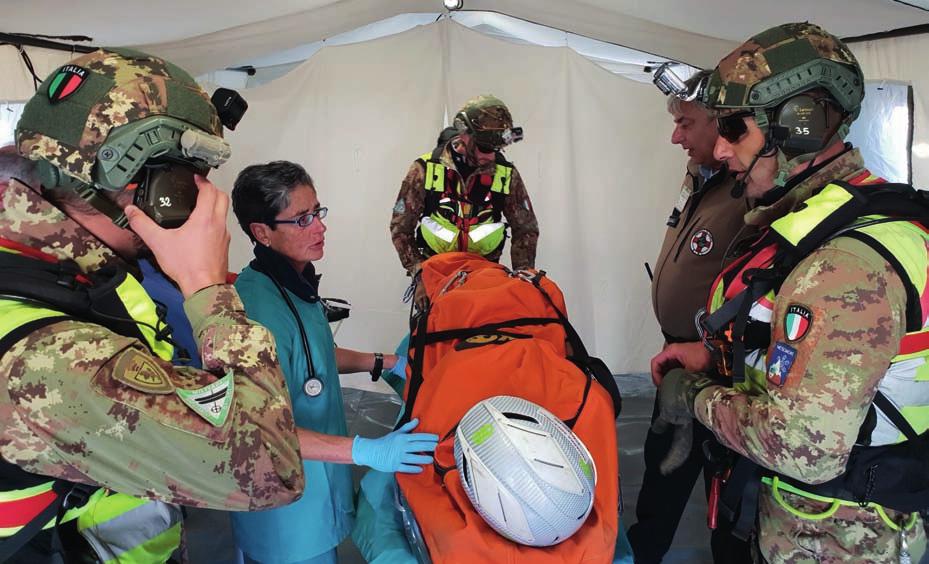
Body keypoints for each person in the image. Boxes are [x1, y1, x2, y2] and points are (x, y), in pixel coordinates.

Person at [0, 49, 305, 562]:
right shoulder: (45, 359)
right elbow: (271, 468)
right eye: (192, 177)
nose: (202, 196)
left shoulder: (54, 272)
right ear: (156, 187)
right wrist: (207, 285)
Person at [650, 22, 929, 563]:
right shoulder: (814, 224)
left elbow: (803, 448)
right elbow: (795, 347)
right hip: (789, 520)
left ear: (797, 128)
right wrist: (714, 355)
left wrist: (696, 395)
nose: (723, 148)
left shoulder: (846, 264)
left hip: (836, 540)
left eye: (737, 129)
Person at [230, 160, 438, 564]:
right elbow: (259, 432)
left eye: (318, 212)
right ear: (262, 232)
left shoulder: (296, 283)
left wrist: (383, 362)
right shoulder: (256, 310)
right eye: (302, 219)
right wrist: (368, 451)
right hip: (286, 510)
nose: (319, 227)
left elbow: (313, 359)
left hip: (320, 484)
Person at [627, 71, 751, 563]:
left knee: (727, 486)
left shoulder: (750, 188)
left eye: (686, 124)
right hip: (679, 357)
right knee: (662, 472)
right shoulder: (701, 180)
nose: (676, 136)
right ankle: (643, 553)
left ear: (721, 123)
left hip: (721, 368)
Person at [389, 95, 539, 307]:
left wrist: (522, 278)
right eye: (486, 148)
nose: (491, 156)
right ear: (465, 136)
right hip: (435, 278)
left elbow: (526, 229)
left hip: (486, 279)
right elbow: (400, 228)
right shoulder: (425, 169)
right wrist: (419, 275)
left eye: (497, 149)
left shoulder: (506, 174)